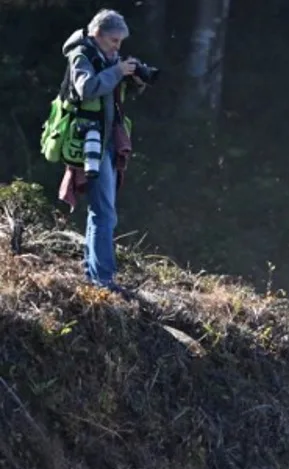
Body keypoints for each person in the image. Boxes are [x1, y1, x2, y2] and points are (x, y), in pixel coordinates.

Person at [58, 9, 142, 293]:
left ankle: (94, 274)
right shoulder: (81, 55)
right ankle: (103, 280)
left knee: (101, 211)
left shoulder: (106, 56)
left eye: (120, 42)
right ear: (97, 34)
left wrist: (132, 77)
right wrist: (117, 71)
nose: (117, 47)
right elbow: (87, 88)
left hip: (104, 140)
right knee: (104, 212)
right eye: (114, 41)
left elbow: (112, 95)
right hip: (87, 142)